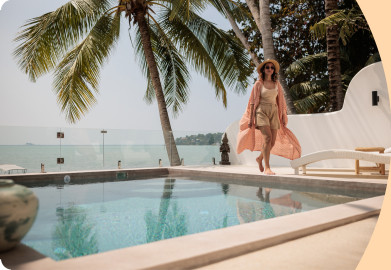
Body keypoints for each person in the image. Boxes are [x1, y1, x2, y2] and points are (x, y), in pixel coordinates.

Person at [236, 59, 301, 175]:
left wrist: (282, 116)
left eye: (272, 67)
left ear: (274, 70)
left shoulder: (277, 84)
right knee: (267, 138)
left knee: (272, 142)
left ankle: (260, 158)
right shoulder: (258, 84)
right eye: (267, 67)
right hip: (261, 111)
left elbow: (281, 101)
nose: (270, 69)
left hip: (274, 112)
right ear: (263, 70)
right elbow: (252, 101)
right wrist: (251, 118)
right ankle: (267, 167)